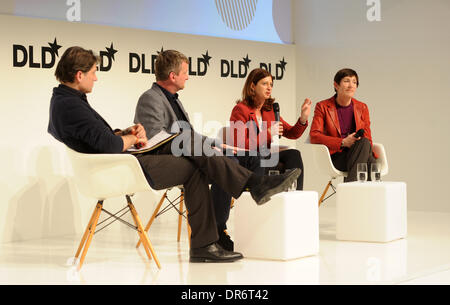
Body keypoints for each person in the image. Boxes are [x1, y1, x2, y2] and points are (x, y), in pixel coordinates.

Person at [119, 49, 297, 261]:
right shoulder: (150, 98)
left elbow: (190, 135)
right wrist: (199, 145)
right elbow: (155, 138)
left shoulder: (174, 99)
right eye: (185, 72)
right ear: (172, 76)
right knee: (211, 159)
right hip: (158, 161)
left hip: (183, 153)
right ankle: (253, 186)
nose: (188, 76)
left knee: (230, 158)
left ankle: (211, 240)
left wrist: (218, 145)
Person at [229, 68, 311, 190]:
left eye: (271, 84)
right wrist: (267, 133)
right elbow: (240, 144)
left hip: (265, 156)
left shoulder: (270, 110)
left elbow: (292, 133)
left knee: (294, 154)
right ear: (252, 86)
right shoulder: (240, 110)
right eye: (264, 83)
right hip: (249, 159)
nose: (269, 88)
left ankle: (296, 193)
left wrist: (303, 118)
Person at [309, 68, 378, 182]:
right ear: (336, 85)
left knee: (365, 143)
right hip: (336, 156)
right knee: (371, 164)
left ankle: (349, 189)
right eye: (347, 81)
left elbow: (368, 138)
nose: (351, 85)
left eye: (354, 82)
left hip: (359, 151)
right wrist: (342, 142)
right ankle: (353, 191)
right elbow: (314, 136)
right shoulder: (323, 106)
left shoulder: (362, 107)